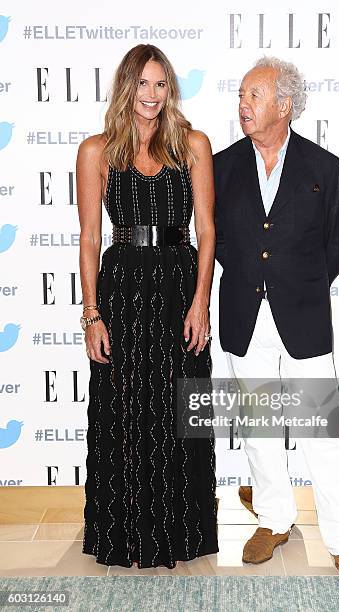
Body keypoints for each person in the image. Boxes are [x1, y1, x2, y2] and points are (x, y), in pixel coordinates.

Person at [213, 56, 339, 591]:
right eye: (240, 96)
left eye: (252, 97)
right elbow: (214, 238)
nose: (243, 106)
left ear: (285, 105)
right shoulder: (220, 166)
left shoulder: (324, 169)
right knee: (259, 428)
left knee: (322, 434)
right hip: (242, 316)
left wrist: (301, 280)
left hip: (302, 319)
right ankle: (274, 521)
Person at [77, 44, 218, 569]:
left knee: (181, 409)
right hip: (123, 290)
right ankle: (125, 535)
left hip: (180, 286)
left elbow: (207, 229)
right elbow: (91, 237)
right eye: (142, 85)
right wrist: (91, 313)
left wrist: (202, 299)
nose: (152, 96)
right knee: (124, 410)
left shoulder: (194, 146)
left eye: (161, 85)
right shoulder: (97, 151)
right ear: (125, 87)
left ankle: (182, 535)